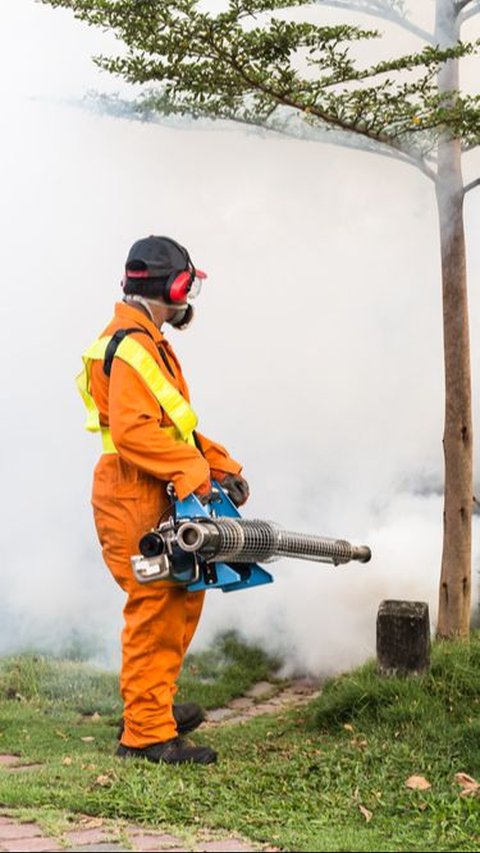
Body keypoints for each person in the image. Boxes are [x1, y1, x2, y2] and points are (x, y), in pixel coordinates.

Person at [76, 235, 250, 765]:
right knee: (156, 605)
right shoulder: (131, 346)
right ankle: (146, 735)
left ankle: (154, 704)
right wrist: (191, 469)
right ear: (170, 288)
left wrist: (219, 464)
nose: (187, 300)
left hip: (153, 486)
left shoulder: (146, 339)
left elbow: (174, 427)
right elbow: (132, 433)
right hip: (133, 492)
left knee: (180, 595)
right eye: (185, 287)